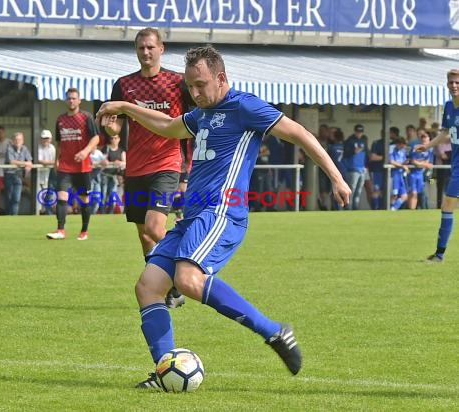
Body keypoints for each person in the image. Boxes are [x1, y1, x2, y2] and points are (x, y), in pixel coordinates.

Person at [96, 44, 351, 388]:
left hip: (222, 212)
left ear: (221, 78)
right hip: (194, 214)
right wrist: (127, 107)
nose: (195, 93)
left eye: (201, 84)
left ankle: (275, 332)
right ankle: (164, 371)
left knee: (187, 280)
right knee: (148, 287)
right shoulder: (200, 114)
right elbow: (170, 126)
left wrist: (336, 178)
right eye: (190, 86)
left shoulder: (245, 106)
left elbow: (301, 134)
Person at [102, 27, 193, 308]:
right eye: (141, 47)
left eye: (151, 47)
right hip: (135, 167)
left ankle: (183, 270)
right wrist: (110, 126)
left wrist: (187, 171)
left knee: (155, 228)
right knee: (144, 234)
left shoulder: (177, 83)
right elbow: (116, 122)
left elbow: (192, 124)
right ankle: (168, 288)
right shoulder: (124, 85)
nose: (146, 52)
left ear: (161, 48)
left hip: (167, 164)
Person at [415, 69, 459, 262]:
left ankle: (439, 254)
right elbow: (446, 133)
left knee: (447, 206)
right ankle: (439, 254)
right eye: (451, 82)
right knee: (447, 206)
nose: (454, 86)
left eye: (457, 82)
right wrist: (427, 145)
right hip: (456, 163)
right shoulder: (449, 106)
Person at [46, 87, 100, 241]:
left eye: (74, 98)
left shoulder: (86, 117)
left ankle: (84, 231)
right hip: (65, 166)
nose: (71, 100)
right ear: (66, 100)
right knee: (61, 197)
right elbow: (58, 142)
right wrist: (57, 159)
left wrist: (85, 151)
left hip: (83, 167)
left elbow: (96, 138)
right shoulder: (60, 120)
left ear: (79, 100)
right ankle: (60, 230)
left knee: (84, 200)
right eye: (69, 98)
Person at [4, 132, 33, 215]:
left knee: (17, 198)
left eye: (19, 139)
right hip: (9, 174)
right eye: (16, 140)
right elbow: (12, 162)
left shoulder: (25, 149)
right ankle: (8, 216)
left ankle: (14, 217)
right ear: (13, 141)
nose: (18, 141)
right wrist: (25, 163)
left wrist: (27, 167)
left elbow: (30, 162)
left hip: (19, 176)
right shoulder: (9, 148)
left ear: (23, 141)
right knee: (9, 197)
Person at [343, 124, 369, 210]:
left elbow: (366, 154)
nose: (359, 134)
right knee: (352, 189)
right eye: (358, 132)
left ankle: (355, 208)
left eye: (361, 132)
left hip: (362, 169)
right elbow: (345, 154)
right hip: (353, 169)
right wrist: (353, 151)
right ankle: (348, 207)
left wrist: (366, 166)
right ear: (355, 132)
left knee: (359, 190)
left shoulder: (364, 140)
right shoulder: (350, 141)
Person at [408, 129, 433, 210]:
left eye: (426, 138)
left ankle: (424, 209)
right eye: (423, 138)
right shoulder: (416, 148)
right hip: (414, 174)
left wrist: (424, 164)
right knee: (414, 193)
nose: (425, 140)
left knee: (423, 193)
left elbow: (428, 162)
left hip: (426, 175)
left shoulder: (430, 150)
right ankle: (412, 210)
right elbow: (414, 161)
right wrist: (424, 164)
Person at [101, 134, 126, 214]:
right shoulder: (106, 148)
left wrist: (119, 163)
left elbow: (125, 162)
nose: (114, 140)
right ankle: (102, 213)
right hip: (105, 175)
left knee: (113, 195)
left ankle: (111, 213)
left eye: (116, 138)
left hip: (115, 176)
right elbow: (102, 160)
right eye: (112, 138)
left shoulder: (121, 151)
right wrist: (111, 163)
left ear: (119, 139)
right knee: (103, 195)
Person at [37, 129, 57, 215]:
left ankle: (48, 213)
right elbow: (40, 161)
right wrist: (53, 163)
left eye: (47, 138)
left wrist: (51, 163)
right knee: (39, 196)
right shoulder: (38, 148)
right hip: (39, 175)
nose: (45, 140)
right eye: (44, 138)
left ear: (50, 139)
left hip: (50, 175)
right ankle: (38, 213)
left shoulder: (52, 148)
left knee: (49, 194)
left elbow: (53, 161)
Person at [389, 137, 409, 210]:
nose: (403, 147)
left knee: (405, 196)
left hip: (400, 175)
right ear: (398, 144)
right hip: (394, 175)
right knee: (394, 195)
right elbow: (391, 161)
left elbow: (403, 161)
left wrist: (406, 163)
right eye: (402, 145)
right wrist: (402, 166)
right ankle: (390, 209)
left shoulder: (403, 151)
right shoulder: (391, 148)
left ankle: (393, 209)